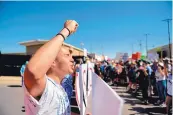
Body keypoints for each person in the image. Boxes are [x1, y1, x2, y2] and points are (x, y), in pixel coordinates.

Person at [23, 20, 79, 115]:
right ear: (52, 62)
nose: (72, 60)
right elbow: (33, 71)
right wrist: (66, 30)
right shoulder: (44, 86)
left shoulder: (60, 89)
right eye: (67, 55)